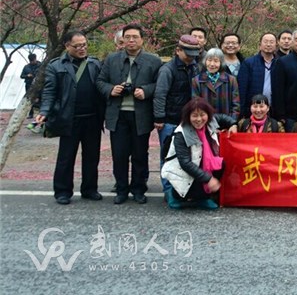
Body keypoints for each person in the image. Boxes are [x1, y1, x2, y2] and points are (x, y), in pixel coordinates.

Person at [35, 31, 105, 204]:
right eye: (77, 46)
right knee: (66, 157)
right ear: (67, 46)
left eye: (84, 45)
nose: (82, 49)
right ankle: (62, 191)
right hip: (69, 119)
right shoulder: (56, 66)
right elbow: (50, 91)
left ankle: (89, 189)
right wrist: (44, 111)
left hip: (92, 119)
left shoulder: (94, 64)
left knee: (91, 157)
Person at [96, 23, 163, 205]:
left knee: (140, 154)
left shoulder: (154, 61)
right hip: (118, 115)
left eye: (135, 37)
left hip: (141, 114)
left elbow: (160, 84)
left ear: (142, 40)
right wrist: (111, 89)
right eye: (127, 37)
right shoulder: (111, 59)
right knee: (119, 154)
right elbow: (100, 81)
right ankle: (121, 188)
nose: (131, 40)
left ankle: (139, 188)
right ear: (122, 40)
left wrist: (146, 91)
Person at [153, 34, 202, 198]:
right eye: (188, 54)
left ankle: (183, 192)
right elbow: (160, 94)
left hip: (190, 121)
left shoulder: (195, 67)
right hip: (170, 120)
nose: (191, 58)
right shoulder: (167, 69)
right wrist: (159, 118)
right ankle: (169, 192)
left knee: (189, 158)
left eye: (194, 54)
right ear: (178, 50)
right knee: (168, 156)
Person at [160, 98, 224, 210]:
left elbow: (223, 118)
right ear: (188, 117)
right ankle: (175, 195)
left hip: (199, 165)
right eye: (194, 115)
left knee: (222, 164)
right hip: (182, 169)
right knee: (181, 198)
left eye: (202, 115)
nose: (199, 119)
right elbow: (185, 163)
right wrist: (209, 179)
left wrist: (233, 124)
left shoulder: (210, 123)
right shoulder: (181, 133)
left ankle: (203, 197)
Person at [191, 48, 241, 126]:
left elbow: (236, 105)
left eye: (216, 61)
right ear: (205, 61)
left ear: (221, 63)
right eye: (209, 60)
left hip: (226, 124)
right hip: (204, 124)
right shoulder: (196, 80)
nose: (212, 64)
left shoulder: (231, 80)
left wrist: (231, 123)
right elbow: (195, 104)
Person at [238, 31, 278, 117]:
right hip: (254, 109)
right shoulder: (249, 63)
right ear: (260, 45)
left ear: (276, 46)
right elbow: (242, 88)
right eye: (265, 41)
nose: (268, 44)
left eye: (271, 42)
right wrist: (242, 110)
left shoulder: (280, 63)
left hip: (274, 109)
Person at [21, 51, 41, 124]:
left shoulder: (40, 65)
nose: (33, 62)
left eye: (34, 60)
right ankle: (30, 113)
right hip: (29, 85)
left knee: (39, 99)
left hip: (38, 85)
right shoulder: (26, 67)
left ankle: (41, 113)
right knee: (29, 99)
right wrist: (27, 76)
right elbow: (22, 76)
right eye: (31, 61)